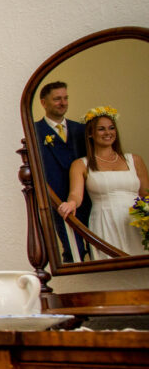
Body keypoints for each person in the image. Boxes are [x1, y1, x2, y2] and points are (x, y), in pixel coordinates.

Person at [58, 107, 149, 258]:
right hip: (105, 221)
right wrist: (71, 203)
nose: (108, 133)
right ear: (90, 134)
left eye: (111, 128)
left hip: (135, 222)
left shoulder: (135, 160)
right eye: (101, 129)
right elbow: (75, 194)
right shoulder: (81, 164)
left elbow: (146, 194)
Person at [34, 81, 90, 261]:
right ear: (44, 103)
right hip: (57, 200)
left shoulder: (81, 130)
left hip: (86, 199)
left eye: (65, 98)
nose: (63, 103)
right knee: (73, 252)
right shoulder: (34, 131)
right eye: (57, 99)